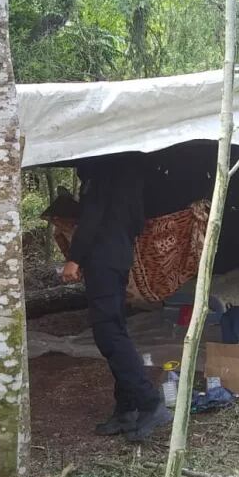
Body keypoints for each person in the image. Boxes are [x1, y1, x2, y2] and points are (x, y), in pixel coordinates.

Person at [61, 154, 170, 442]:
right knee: (116, 329)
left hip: (104, 258)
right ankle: (127, 408)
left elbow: (93, 214)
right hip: (120, 254)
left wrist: (75, 258)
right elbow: (136, 221)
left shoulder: (103, 170)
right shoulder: (130, 169)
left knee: (108, 334)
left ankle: (149, 402)